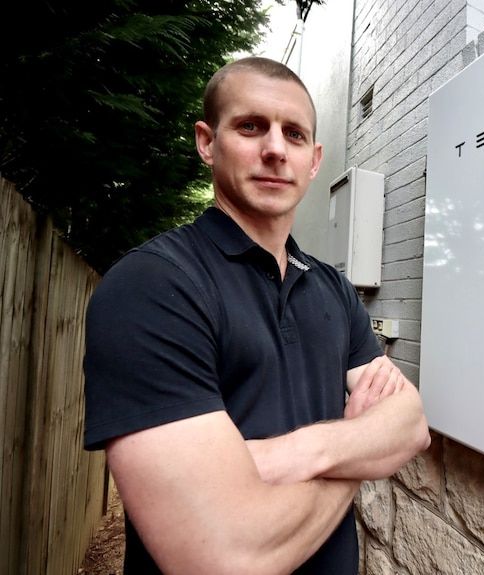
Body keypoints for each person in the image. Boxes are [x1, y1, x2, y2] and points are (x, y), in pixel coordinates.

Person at [83, 56, 431, 575]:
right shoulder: (153, 287)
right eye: (250, 126)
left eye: (293, 134)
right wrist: (357, 453)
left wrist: (286, 456)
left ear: (314, 161)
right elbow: (227, 557)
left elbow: (410, 426)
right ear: (207, 141)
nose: (274, 149)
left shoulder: (334, 289)